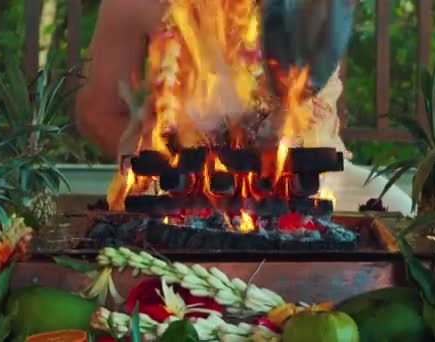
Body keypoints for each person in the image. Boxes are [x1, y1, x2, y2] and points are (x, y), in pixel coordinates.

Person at [74, 0, 413, 215]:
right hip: (183, 191)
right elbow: (98, 111)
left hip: (322, 188)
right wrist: (161, 162)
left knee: (407, 234)